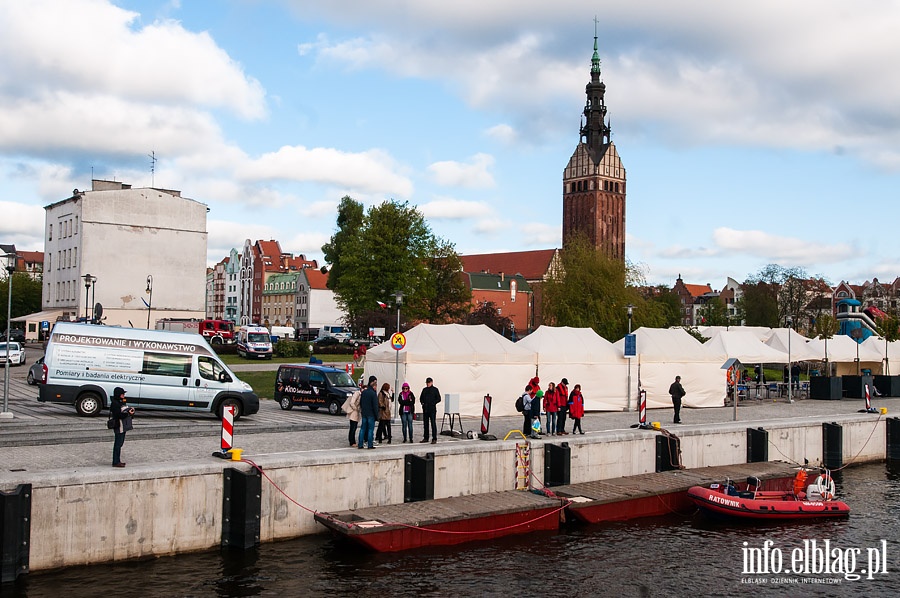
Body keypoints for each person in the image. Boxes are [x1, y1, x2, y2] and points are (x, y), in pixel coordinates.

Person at [109, 386, 134, 467]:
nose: (123, 396)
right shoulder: (115, 404)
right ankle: (116, 461)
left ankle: (117, 460)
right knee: (118, 443)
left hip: (123, 425)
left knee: (120, 443)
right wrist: (128, 413)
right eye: (122, 394)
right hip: (119, 425)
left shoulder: (120, 402)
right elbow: (118, 415)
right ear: (118, 395)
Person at [358, 376, 378, 449]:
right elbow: (375, 405)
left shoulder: (364, 392)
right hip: (371, 414)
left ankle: (360, 444)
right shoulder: (373, 393)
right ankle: (370, 444)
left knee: (362, 428)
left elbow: (361, 403)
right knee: (370, 429)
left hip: (364, 413)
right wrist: (377, 415)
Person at [419, 377, 441, 444]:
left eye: (429, 382)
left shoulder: (435, 390)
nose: (428, 384)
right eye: (427, 383)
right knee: (425, 424)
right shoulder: (424, 390)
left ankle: (434, 438)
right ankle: (426, 437)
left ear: (431, 382)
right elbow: (421, 398)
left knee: (433, 424)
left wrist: (433, 403)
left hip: (432, 409)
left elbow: (439, 398)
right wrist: (422, 403)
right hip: (425, 409)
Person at [345, 379, 362, 447]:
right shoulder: (357, 393)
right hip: (353, 412)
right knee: (353, 427)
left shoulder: (360, 394)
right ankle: (352, 441)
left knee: (354, 427)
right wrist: (356, 408)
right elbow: (352, 402)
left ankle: (352, 441)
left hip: (356, 413)